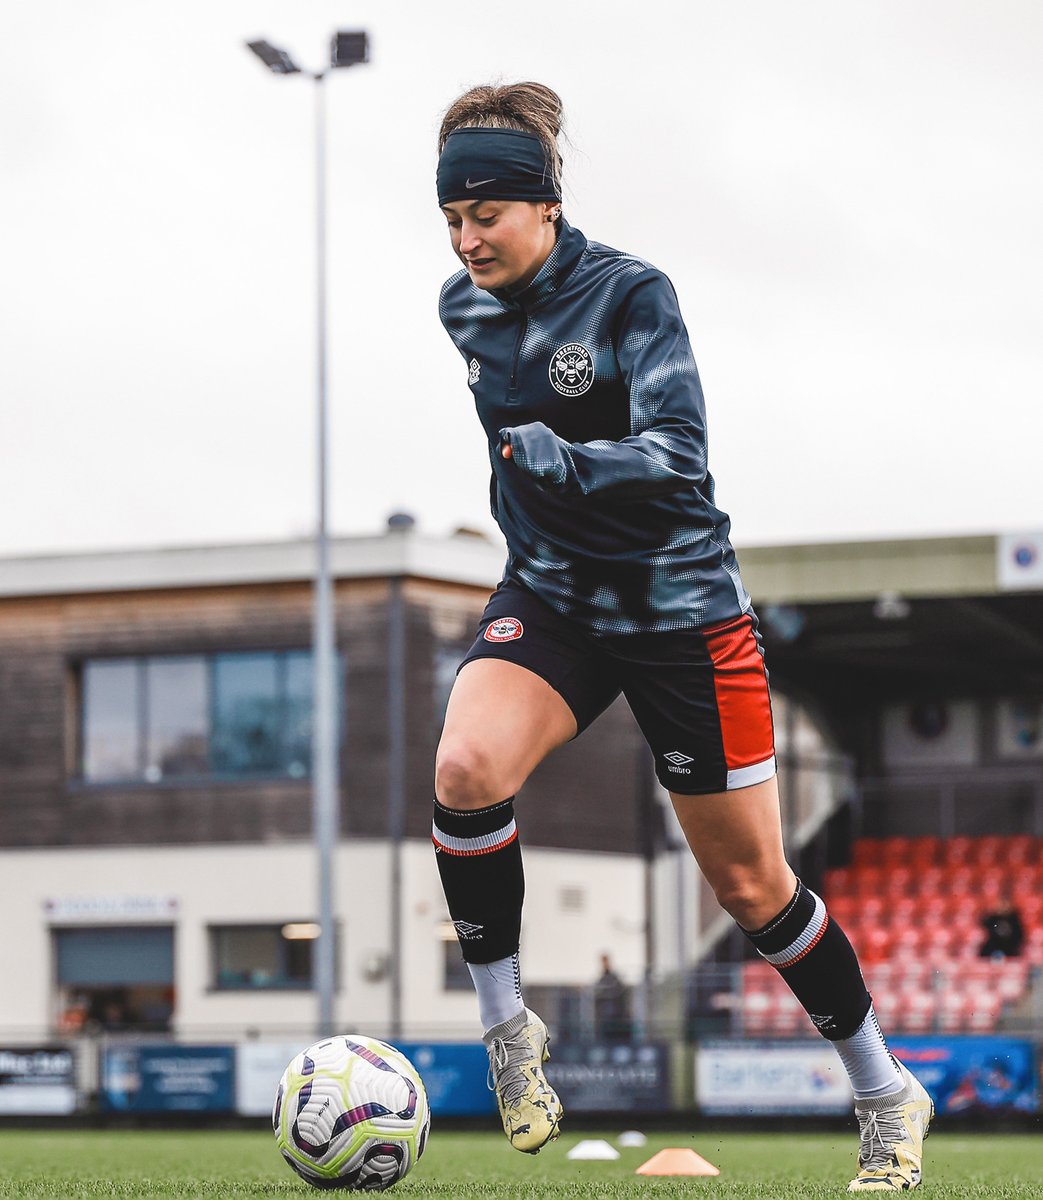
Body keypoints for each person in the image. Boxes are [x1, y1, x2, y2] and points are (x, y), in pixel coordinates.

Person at [431, 81, 933, 1189]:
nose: (468, 238)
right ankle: (510, 1035)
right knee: (464, 767)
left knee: (752, 889)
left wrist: (565, 460)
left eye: (487, 214)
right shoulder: (459, 309)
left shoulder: (631, 296)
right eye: (452, 218)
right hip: (555, 595)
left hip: (676, 608)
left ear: (544, 205)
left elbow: (678, 457)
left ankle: (885, 1094)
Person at [593, 954, 629, 1042]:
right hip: (605, 1016)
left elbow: (619, 992)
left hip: (616, 1014)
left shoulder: (614, 978)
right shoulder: (602, 978)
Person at [979, 893, 1025, 959]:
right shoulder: (991, 919)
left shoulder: (1015, 920)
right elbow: (989, 930)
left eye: (1005, 904)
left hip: (1010, 951)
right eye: (1001, 904)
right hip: (991, 950)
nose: (1003, 907)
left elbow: (1018, 936)